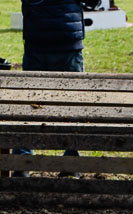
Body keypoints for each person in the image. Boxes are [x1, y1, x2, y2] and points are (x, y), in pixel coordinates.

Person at [13, 0, 85, 178]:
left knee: (29, 104)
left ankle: (22, 161)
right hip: (68, 39)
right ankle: (71, 162)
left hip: (37, 39)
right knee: (71, 104)